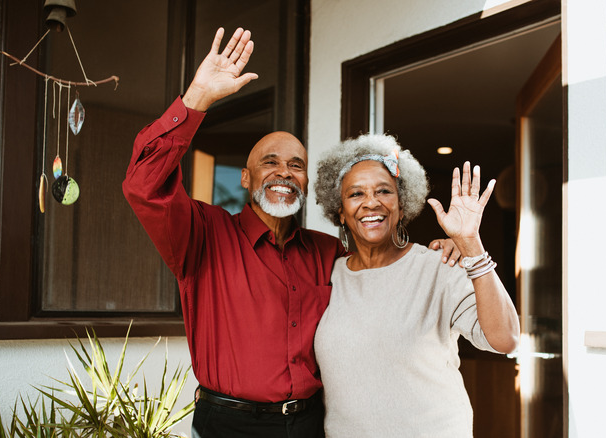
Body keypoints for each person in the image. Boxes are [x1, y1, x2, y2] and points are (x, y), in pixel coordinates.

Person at [123, 27, 459, 438]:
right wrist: (197, 99)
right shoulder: (202, 235)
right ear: (246, 178)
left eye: (296, 165)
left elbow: (380, 262)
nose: (284, 172)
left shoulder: (327, 251)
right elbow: (143, 186)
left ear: (307, 182)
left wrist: (443, 250)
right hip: (229, 425)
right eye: (271, 162)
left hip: (310, 423)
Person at [312, 134, 520, 437]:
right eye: (356, 194)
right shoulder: (327, 276)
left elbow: (506, 340)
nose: (371, 202)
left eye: (384, 191)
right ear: (340, 211)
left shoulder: (440, 266)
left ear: (401, 204)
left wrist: (471, 246)